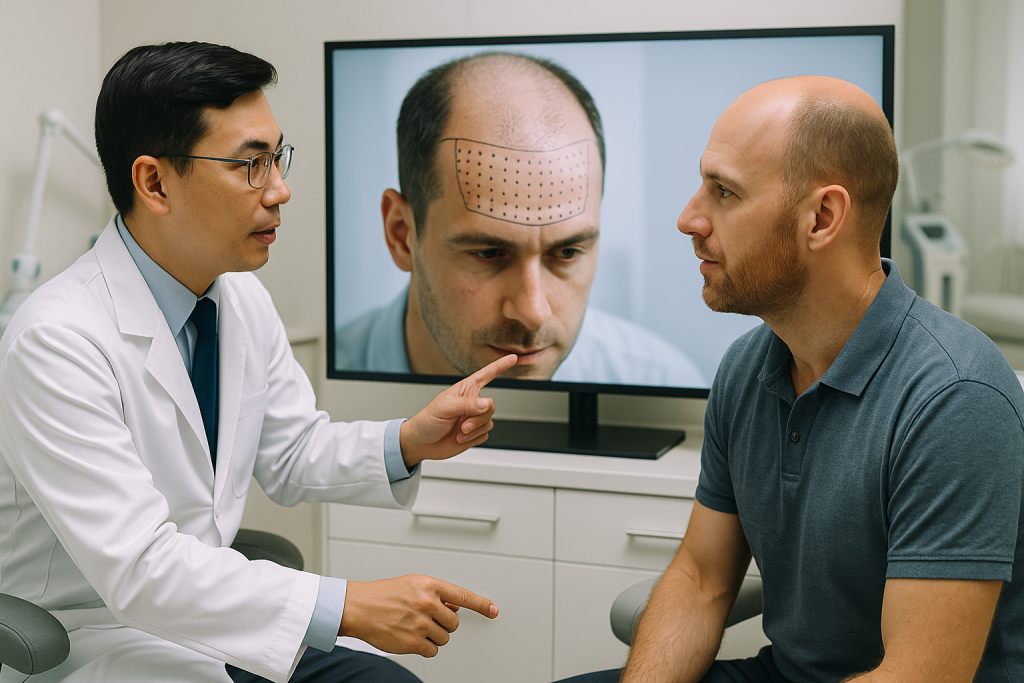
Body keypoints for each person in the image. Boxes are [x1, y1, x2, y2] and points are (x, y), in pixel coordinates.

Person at [0, 42, 518, 683]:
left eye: (278, 158)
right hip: (95, 641)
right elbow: (140, 569)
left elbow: (290, 451)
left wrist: (409, 440)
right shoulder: (56, 339)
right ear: (154, 182)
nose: (281, 190)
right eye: (251, 165)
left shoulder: (237, 296)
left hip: (214, 627)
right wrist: (349, 604)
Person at [559, 76, 1024, 683]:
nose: (688, 218)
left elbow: (919, 674)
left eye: (723, 192)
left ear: (823, 217)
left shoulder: (954, 399)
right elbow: (701, 580)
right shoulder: (747, 369)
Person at [335, 52, 704, 387]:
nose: (532, 312)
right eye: (489, 253)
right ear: (401, 235)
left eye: (568, 253)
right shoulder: (308, 402)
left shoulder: (661, 386)